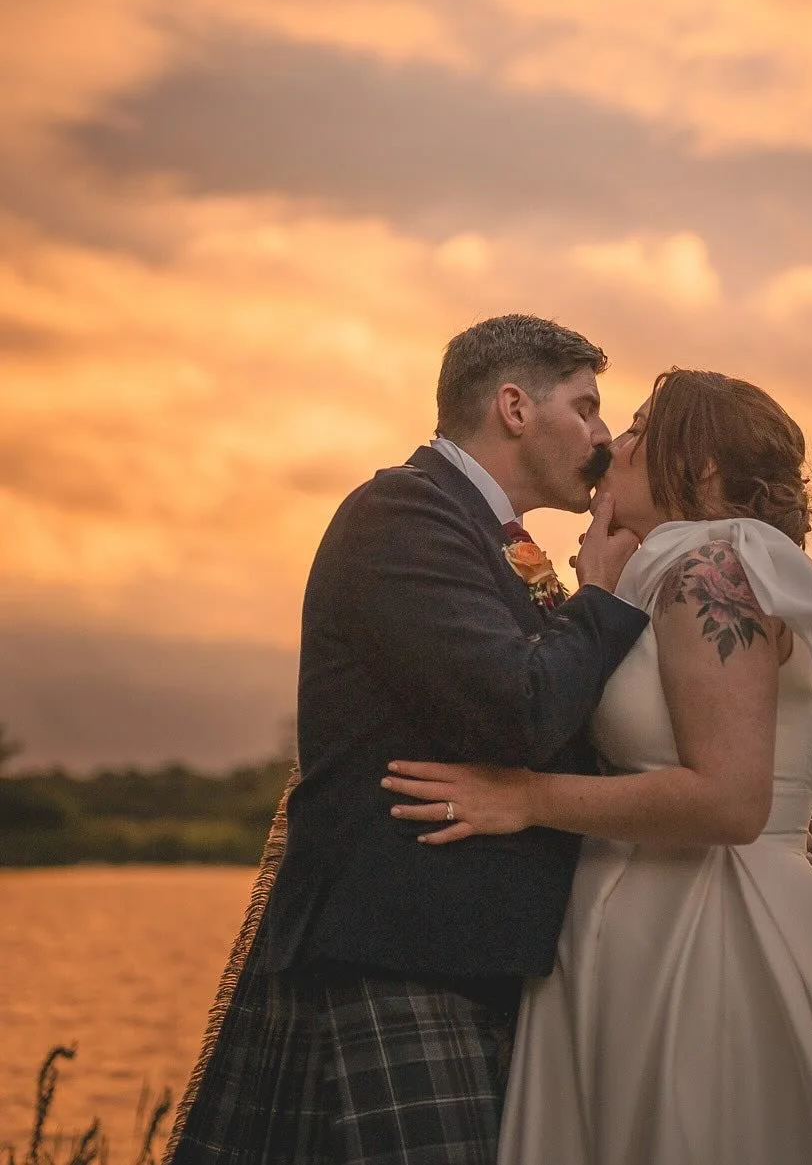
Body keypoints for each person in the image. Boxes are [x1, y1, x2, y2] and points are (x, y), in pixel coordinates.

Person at [384, 369, 812, 1165]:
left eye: (640, 425)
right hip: (641, 929)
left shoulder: (717, 567)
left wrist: (526, 796)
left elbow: (731, 800)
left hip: (716, 937)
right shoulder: (672, 571)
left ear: (703, 470)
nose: (616, 443)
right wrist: (593, 593)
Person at [165, 314, 651, 1165]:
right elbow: (520, 709)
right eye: (586, 407)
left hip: (464, 956)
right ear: (513, 406)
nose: (603, 434)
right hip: (398, 952)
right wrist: (601, 600)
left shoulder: (491, 535)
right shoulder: (403, 513)